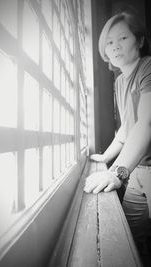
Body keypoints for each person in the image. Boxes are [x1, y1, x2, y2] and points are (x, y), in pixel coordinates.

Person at [83, 11, 151, 266]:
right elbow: (126, 129)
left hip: (139, 170)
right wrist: (105, 157)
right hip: (138, 171)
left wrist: (117, 173)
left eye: (123, 37)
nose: (115, 46)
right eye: (109, 42)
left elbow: (146, 122)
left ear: (140, 41)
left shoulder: (148, 67)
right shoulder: (120, 81)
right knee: (133, 240)